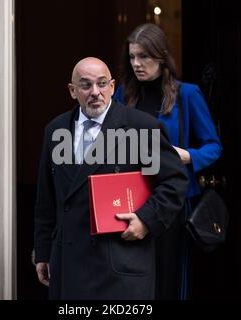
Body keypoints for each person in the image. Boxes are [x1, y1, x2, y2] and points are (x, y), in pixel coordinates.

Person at [34, 57, 189, 299]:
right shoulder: (56, 130)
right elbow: (46, 198)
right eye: (85, 85)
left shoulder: (141, 127)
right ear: (72, 91)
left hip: (121, 265)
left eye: (102, 83)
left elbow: (175, 182)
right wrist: (43, 253)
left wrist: (147, 220)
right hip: (68, 264)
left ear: (112, 87)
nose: (95, 92)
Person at [114, 23, 222, 299]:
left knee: (168, 277)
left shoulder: (187, 94)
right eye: (132, 57)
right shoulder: (122, 94)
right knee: (130, 276)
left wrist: (187, 155)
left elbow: (213, 147)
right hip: (130, 196)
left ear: (161, 57)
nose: (137, 64)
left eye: (144, 57)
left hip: (174, 200)